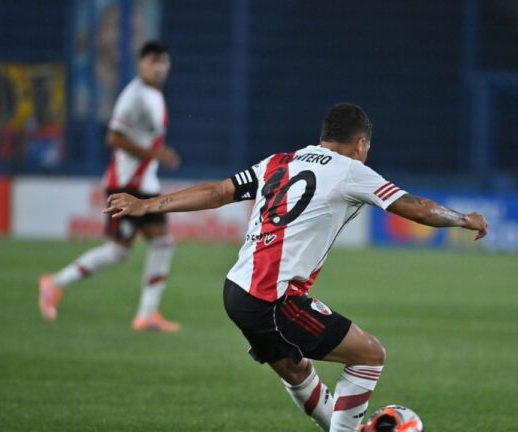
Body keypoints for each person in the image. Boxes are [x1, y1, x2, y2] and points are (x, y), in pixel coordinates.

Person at [104, 103, 488, 430]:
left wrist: (147, 204)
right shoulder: (351, 170)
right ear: (361, 144)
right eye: (366, 148)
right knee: (370, 355)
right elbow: (417, 208)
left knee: (298, 371)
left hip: (237, 290)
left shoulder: (279, 162)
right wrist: (461, 218)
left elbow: (219, 192)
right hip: (273, 298)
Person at [39, 41, 182, 332]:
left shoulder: (154, 95)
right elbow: (113, 138)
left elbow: (142, 137)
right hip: (127, 184)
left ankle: (146, 314)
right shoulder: (134, 95)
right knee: (130, 248)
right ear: (141, 63)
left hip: (144, 184)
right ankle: (55, 283)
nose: (160, 67)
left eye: (164, 62)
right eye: (154, 60)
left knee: (156, 244)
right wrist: (156, 154)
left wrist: (155, 153)